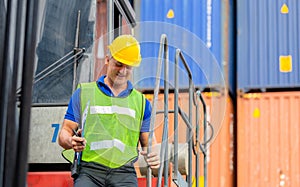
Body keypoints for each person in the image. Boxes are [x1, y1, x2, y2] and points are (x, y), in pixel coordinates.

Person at [58, 35, 160, 186]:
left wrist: (155, 155)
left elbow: (149, 143)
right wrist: (70, 141)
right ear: (107, 59)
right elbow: (64, 133)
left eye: (128, 67)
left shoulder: (142, 103)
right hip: (89, 172)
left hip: (124, 173)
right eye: (119, 64)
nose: (123, 71)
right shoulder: (84, 93)